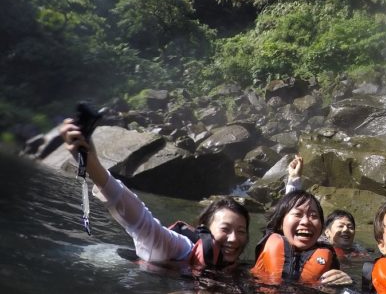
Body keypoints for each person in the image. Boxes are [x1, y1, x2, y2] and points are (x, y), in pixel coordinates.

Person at [60, 118, 249, 270]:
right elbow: (141, 222)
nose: (233, 239)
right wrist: (92, 166)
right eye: (225, 229)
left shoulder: (239, 269)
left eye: (241, 231)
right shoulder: (181, 248)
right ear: (204, 230)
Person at [251, 189, 352, 286]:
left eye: (313, 216)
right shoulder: (270, 246)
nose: (306, 221)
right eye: (298, 214)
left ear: (321, 228)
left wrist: (344, 285)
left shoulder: (330, 260)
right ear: (280, 223)